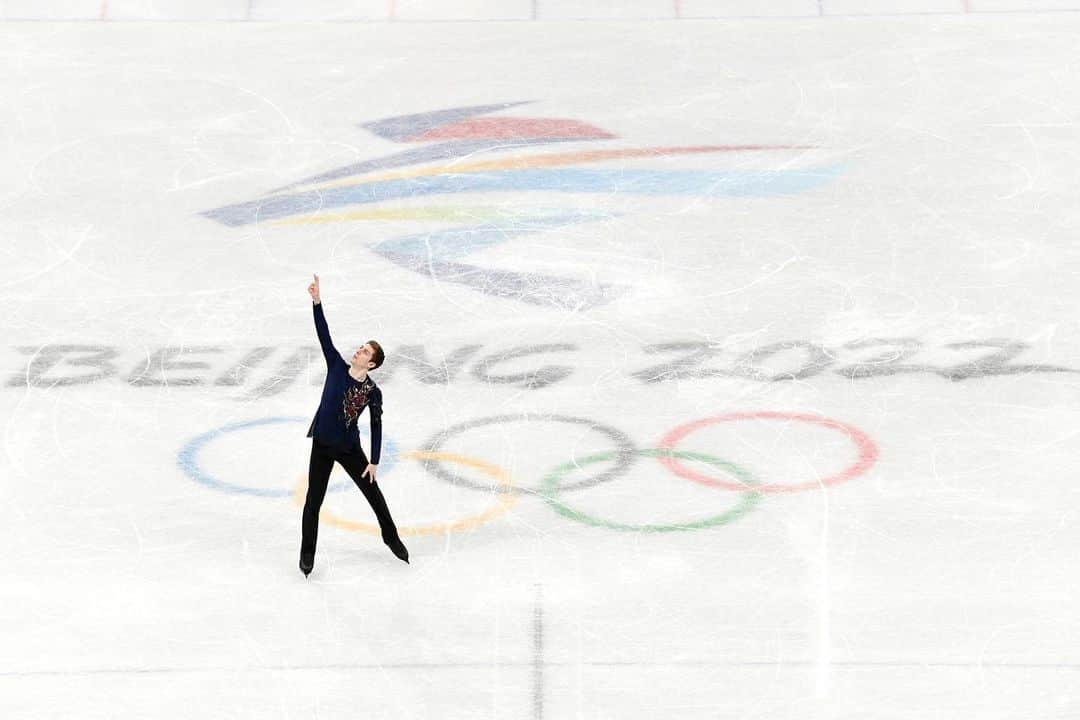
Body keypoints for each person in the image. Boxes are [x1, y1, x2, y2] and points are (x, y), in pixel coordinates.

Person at [300, 273, 408, 576]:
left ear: (371, 364)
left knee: (375, 495)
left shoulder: (372, 392)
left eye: (364, 352)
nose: (358, 351)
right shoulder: (335, 364)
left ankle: (392, 538)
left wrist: (373, 461)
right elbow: (324, 334)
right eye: (361, 348)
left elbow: (376, 425)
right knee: (313, 501)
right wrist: (317, 302)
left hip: (349, 449)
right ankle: (307, 554)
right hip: (322, 444)